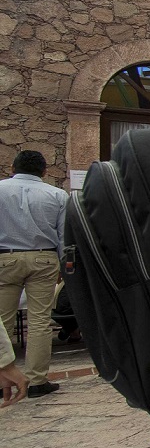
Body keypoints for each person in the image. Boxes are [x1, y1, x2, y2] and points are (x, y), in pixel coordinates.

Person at [0, 150, 68, 398]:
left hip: (4, 257)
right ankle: (37, 380)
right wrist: (64, 265)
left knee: (2, 321)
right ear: (44, 171)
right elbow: (64, 236)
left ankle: (3, 378)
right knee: (40, 320)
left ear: (13, 167)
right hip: (44, 256)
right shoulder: (58, 195)